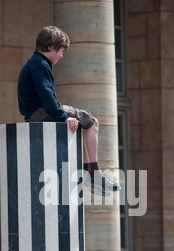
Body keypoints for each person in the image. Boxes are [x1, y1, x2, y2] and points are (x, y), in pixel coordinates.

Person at [17, 25, 120, 195]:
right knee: (92, 122)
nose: (61, 55)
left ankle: (89, 173)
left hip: (36, 112)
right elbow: (47, 96)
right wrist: (64, 117)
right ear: (51, 47)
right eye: (61, 51)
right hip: (41, 112)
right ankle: (94, 174)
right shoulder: (40, 64)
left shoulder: (36, 63)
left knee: (83, 126)